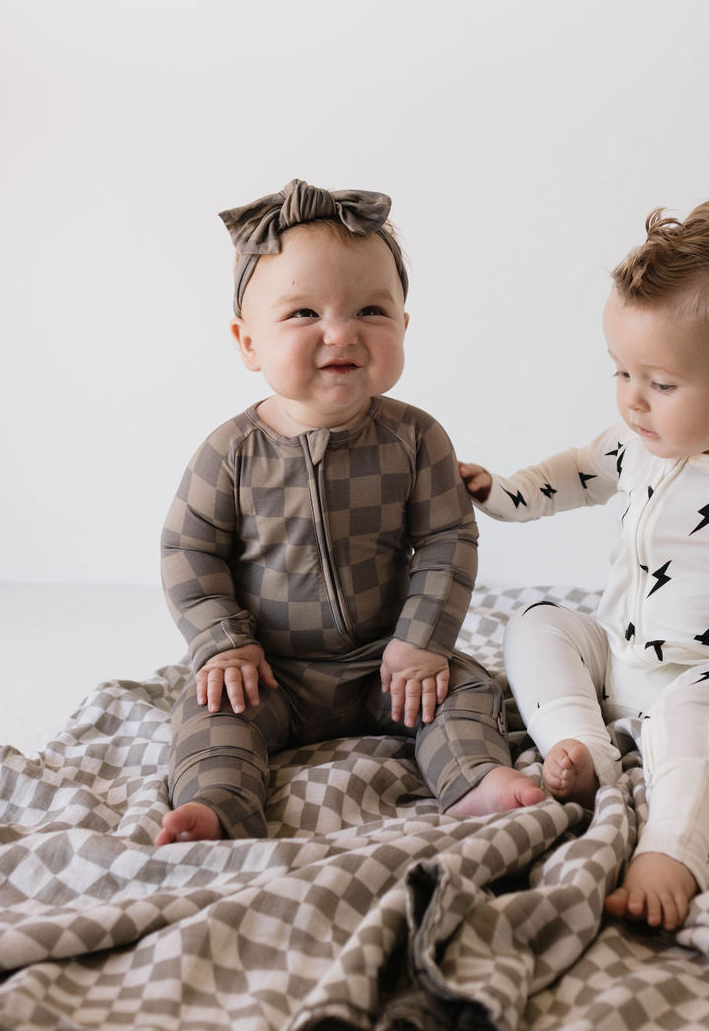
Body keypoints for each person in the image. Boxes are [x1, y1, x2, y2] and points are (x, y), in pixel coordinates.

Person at [460, 198, 709, 930]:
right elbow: (579, 471)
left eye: (661, 384)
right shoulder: (637, 441)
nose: (633, 402)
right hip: (622, 657)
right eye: (622, 372)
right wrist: (504, 492)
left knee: (691, 712)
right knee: (538, 621)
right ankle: (580, 749)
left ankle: (672, 850)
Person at [156, 180, 543, 846]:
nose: (341, 332)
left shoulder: (417, 439)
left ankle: (474, 777)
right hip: (270, 670)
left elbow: (449, 538)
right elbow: (188, 552)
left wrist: (421, 640)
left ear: (402, 327)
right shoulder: (231, 451)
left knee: (469, 688)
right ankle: (218, 802)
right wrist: (224, 642)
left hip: (385, 663)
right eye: (304, 313)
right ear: (247, 342)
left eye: (370, 309)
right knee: (208, 708)